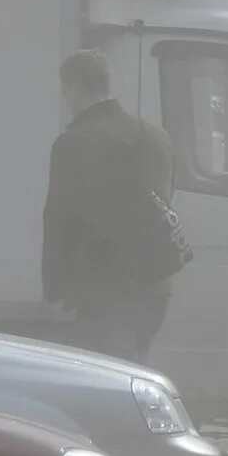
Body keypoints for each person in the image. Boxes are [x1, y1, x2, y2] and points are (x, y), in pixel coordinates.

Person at [42, 48, 183, 362]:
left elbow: (59, 220)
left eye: (66, 91)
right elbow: (163, 200)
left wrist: (53, 288)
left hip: (105, 294)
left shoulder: (74, 144)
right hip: (157, 290)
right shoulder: (156, 136)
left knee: (107, 385)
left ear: (75, 88)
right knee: (134, 370)